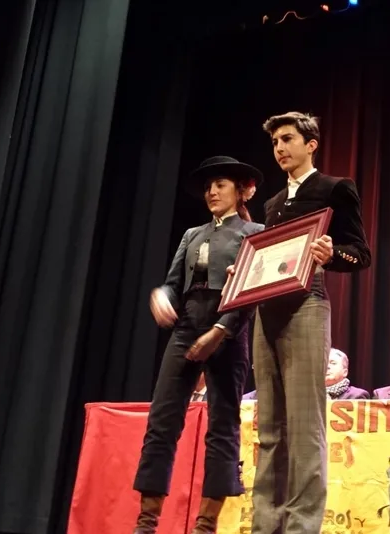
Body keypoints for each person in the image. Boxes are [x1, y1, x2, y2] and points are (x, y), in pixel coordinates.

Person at [233, 111, 371, 533]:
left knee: (305, 424)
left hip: (307, 303)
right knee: (270, 426)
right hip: (266, 310)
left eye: (288, 139)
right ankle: (265, 525)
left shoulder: (334, 188)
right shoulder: (273, 204)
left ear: (311, 144)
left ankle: (300, 527)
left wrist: (334, 254)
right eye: (275, 143)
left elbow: (359, 253)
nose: (280, 149)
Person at [132, 156, 264, 534]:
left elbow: (252, 289)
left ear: (242, 190)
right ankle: (146, 521)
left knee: (223, 426)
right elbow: (174, 282)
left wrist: (222, 328)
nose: (211, 192)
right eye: (208, 186)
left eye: (220, 184)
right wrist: (161, 295)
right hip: (187, 324)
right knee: (161, 421)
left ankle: (206, 524)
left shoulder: (255, 232)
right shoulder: (192, 234)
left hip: (229, 327)